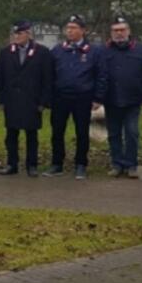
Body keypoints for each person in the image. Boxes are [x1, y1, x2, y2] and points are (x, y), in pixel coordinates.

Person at [47, 15, 103, 180]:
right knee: (57, 131)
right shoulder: (57, 50)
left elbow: (101, 75)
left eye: (74, 28)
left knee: (82, 132)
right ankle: (57, 163)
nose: (70, 31)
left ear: (83, 31)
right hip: (60, 97)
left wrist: (98, 98)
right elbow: (50, 75)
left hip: (83, 98)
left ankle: (81, 164)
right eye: (68, 28)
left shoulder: (93, 51)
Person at [99, 16, 142, 178]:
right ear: (111, 33)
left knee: (132, 132)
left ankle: (131, 165)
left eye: (122, 30)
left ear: (128, 31)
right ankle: (117, 164)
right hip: (111, 99)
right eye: (115, 30)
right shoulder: (104, 50)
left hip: (133, 99)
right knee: (113, 134)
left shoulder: (141, 50)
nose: (119, 33)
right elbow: (100, 74)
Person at [0, 20, 52, 177]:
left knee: (31, 135)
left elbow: (47, 79)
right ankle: (11, 164)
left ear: (28, 34)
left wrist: (43, 102)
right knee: (11, 134)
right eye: (15, 33)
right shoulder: (6, 52)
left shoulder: (42, 52)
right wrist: (0, 99)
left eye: (20, 33)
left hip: (32, 101)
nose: (17, 36)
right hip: (12, 100)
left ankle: (31, 165)